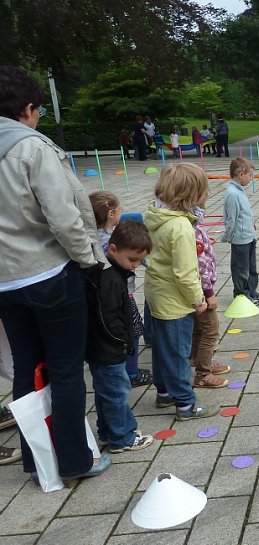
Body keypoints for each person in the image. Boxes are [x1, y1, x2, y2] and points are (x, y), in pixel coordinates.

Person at [0, 65, 111, 481]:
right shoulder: (32, 147)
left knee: (28, 367)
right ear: (28, 108)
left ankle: (37, 461)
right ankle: (76, 460)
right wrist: (88, 260)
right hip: (48, 274)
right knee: (65, 370)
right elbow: (65, 219)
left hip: (5, 283)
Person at [144, 163, 217, 420]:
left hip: (156, 293)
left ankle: (164, 392)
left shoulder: (154, 215)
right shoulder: (181, 228)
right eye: (203, 192)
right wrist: (198, 300)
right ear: (190, 196)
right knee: (177, 352)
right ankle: (185, 404)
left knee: (163, 348)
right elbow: (186, 272)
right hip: (175, 301)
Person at [86, 220, 153, 453]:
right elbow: (108, 318)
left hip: (102, 347)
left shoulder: (113, 272)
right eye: (132, 259)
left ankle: (107, 432)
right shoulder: (110, 277)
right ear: (112, 249)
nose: (135, 266)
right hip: (108, 349)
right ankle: (122, 437)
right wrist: (122, 342)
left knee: (106, 391)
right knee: (116, 392)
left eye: (139, 260)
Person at [90, 191, 151, 388]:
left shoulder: (92, 237)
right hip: (124, 295)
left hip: (113, 295)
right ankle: (132, 373)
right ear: (111, 214)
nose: (135, 264)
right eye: (119, 210)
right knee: (132, 332)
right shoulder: (110, 242)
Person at [190, 203, 230, 387]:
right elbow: (201, 264)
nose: (203, 205)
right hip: (201, 290)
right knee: (211, 330)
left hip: (197, 289)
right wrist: (209, 292)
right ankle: (203, 374)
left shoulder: (191, 226)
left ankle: (198, 360)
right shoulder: (192, 231)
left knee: (199, 328)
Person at [224, 157, 259, 301]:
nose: (251, 179)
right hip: (239, 239)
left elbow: (244, 214)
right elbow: (231, 219)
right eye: (250, 175)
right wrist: (228, 236)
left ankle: (252, 291)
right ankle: (242, 295)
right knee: (241, 269)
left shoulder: (239, 191)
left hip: (249, 236)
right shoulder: (232, 194)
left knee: (251, 268)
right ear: (241, 175)